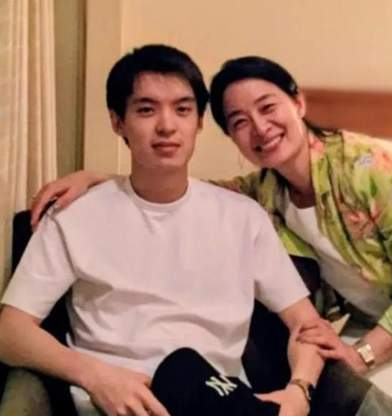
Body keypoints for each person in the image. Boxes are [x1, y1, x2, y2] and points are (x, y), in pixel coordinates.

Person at [29, 56, 392, 415]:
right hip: (366, 322)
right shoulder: (263, 191)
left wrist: (352, 360)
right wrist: (100, 179)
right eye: (240, 122)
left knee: (368, 401)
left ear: (298, 102)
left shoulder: (369, 168)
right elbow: (173, 187)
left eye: (268, 107)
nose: (260, 128)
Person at [0, 45, 325, 416]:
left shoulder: (243, 217)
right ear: (117, 122)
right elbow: (10, 332)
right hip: (117, 406)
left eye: (182, 109)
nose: (167, 126)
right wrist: (96, 377)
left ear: (199, 122)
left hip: (216, 401)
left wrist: (299, 391)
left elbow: (307, 324)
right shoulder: (73, 216)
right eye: (146, 110)